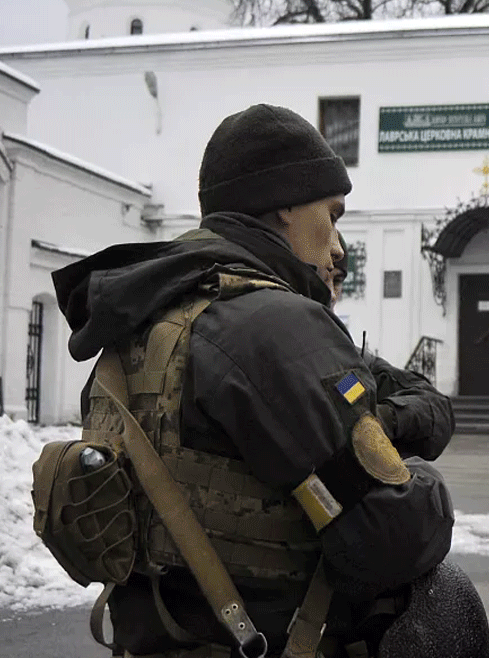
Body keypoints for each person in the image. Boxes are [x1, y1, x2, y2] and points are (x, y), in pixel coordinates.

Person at [54, 104, 458, 658]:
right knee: (450, 601)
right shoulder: (272, 324)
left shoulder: (144, 321)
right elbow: (390, 538)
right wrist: (422, 481)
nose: (337, 243)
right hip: (273, 640)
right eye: (332, 214)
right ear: (286, 203)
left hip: (157, 637)